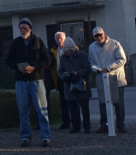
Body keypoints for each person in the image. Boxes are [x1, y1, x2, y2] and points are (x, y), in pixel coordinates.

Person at [7, 18, 52, 147]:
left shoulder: (38, 41)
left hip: (36, 80)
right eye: (21, 28)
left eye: (25, 28)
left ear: (30, 29)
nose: (23, 31)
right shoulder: (16, 43)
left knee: (42, 110)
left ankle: (45, 137)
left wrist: (35, 67)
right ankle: (25, 137)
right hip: (21, 81)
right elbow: (9, 60)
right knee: (23, 111)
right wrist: (17, 67)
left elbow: (47, 60)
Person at [88, 27, 128, 133]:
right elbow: (91, 62)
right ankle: (104, 124)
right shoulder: (91, 47)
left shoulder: (115, 44)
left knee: (118, 103)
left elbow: (122, 59)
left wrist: (108, 68)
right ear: (94, 37)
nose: (99, 37)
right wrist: (98, 70)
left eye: (100, 35)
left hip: (116, 78)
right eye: (96, 36)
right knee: (103, 103)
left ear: (104, 34)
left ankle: (120, 125)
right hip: (101, 78)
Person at [58, 38, 92, 133]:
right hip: (69, 85)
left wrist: (77, 73)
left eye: (70, 51)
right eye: (67, 51)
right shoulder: (63, 57)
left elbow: (87, 69)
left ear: (73, 49)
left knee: (84, 108)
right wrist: (64, 76)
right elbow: (60, 71)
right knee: (72, 108)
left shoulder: (82, 55)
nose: (69, 53)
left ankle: (86, 126)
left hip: (82, 84)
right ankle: (75, 126)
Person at [50, 32, 71, 129]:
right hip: (59, 78)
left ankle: (76, 121)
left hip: (71, 77)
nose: (59, 40)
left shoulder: (72, 49)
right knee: (63, 101)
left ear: (65, 38)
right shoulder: (53, 51)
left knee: (74, 100)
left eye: (61, 38)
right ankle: (65, 122)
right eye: (57, 38)